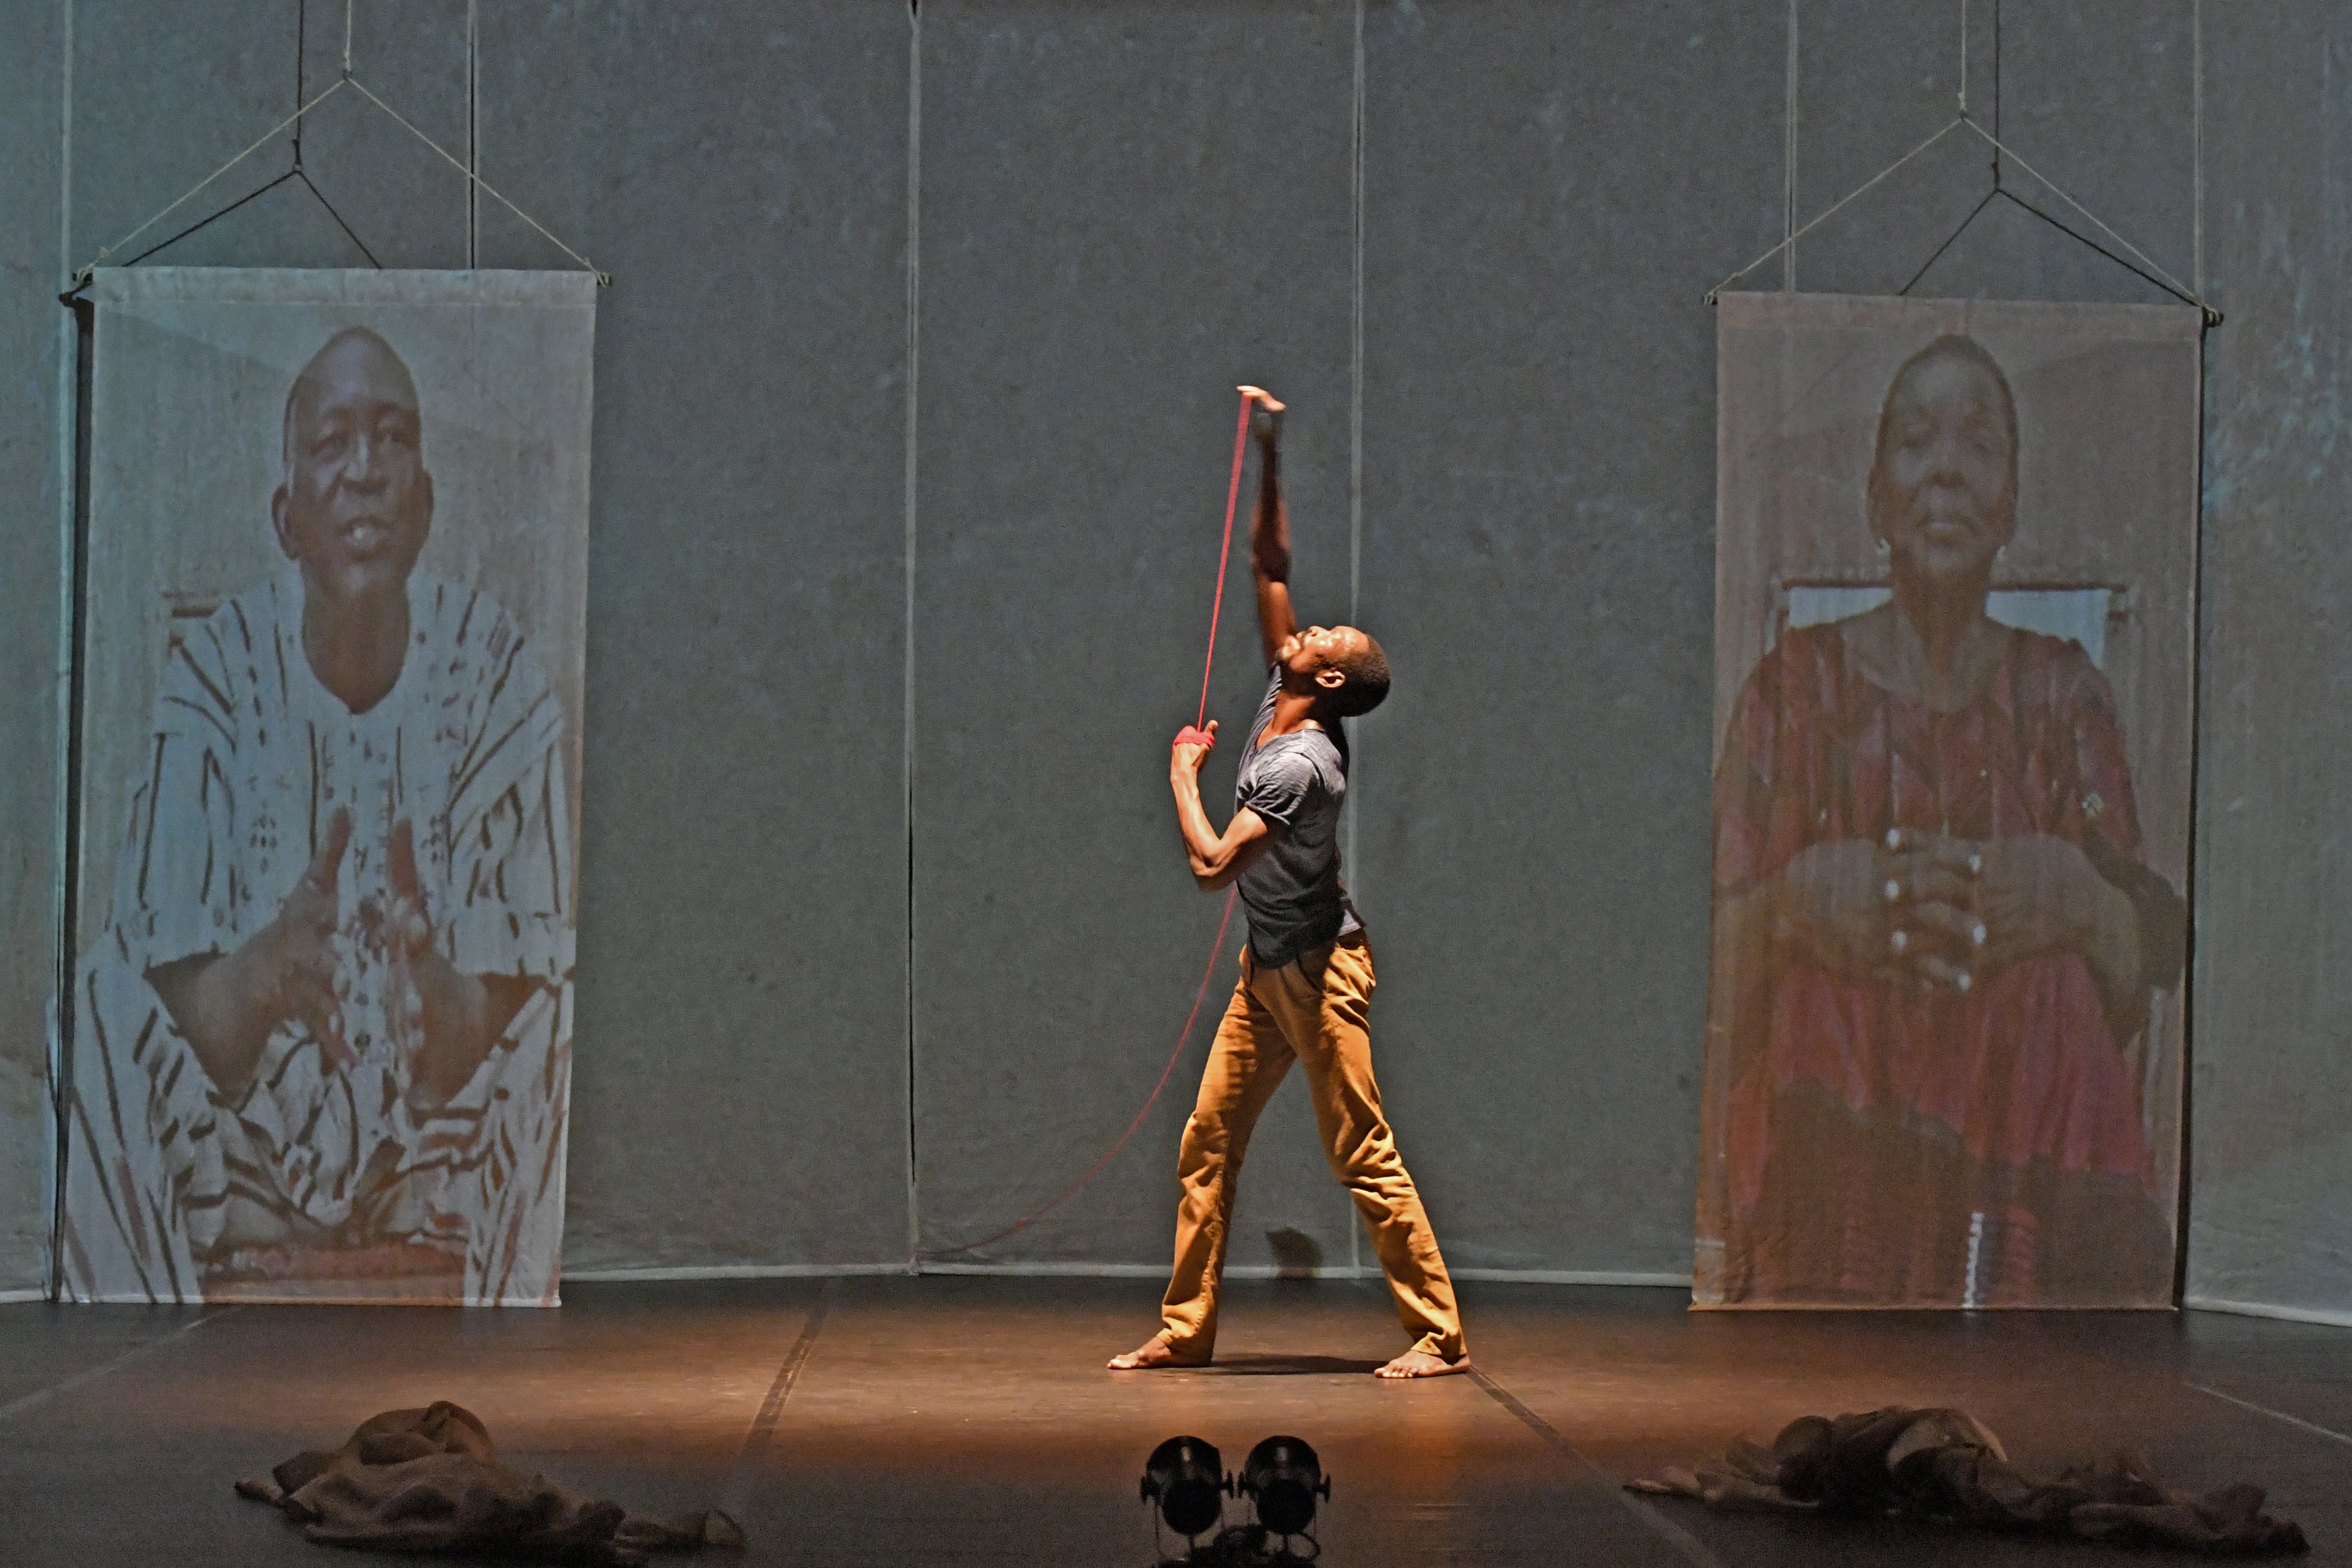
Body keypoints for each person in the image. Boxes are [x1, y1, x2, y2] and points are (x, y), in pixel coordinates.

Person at [59, 326, 574, 1304]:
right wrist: (266, 975)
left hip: (436, 1161)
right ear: (287, 515)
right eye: (332, 444)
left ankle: (509, 1373)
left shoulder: (497, 675)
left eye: (393, 439)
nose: (365, 472)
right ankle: (139, 1356)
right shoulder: (215, 675)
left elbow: (507, 1017)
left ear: (425, 505)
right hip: (249, 1167)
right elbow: (184, 1021)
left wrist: (443, 1005)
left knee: (564, 1020)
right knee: (92, 1002)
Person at [1700, 333, 2184, 1306]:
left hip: (2026, 1171)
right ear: (1877, 498)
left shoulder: (2063, 695)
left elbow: (2144, 961)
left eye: (1980, 446)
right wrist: (1795, 905)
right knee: (1815, 993)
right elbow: (1703, 962)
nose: (1948, 472)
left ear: (2009, 504)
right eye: (1918, 442)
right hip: (1826, 1169)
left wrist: (2077, 899)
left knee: (2051, 983)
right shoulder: (1795, 689)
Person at [1110, 387, 1467, 1378]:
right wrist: (1269, 448)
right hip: (1267, 967)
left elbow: (1210, 865)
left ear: (1334, 681)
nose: (1308, 633)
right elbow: (1270, 565)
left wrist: (1180, 774)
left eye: (1326, 640)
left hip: (1319, 973)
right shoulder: (1285, 687)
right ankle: (1187, 1330)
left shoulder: (1301, 764)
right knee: (1207, 1139)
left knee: (1360, 1148)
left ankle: (1441, 1335)